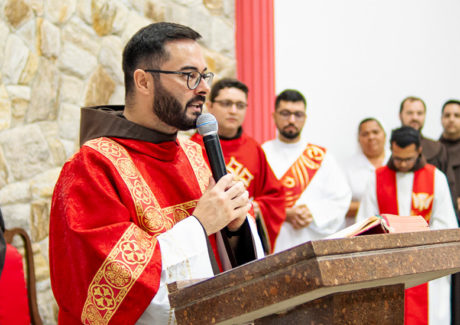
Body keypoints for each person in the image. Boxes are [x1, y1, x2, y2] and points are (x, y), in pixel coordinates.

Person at [49, 22, 264, 325]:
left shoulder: (195, 154)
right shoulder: (92, 168)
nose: (203, 87)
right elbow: (105, 285)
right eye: (189, 75)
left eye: (204, 76)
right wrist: (200, 225)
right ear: (144, 81)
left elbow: (229, 258)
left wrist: (236, 228)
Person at [357, 126, 458, 325]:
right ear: (391, 150)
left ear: (419, 151)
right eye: (398, 158)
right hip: (387, 266)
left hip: (426, 268)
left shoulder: (435, 177)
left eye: (408, 159)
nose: (403, 164)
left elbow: (446, 224)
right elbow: (365, 223)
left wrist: (417, 241)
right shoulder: (377, 178)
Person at [190, 78, 285, 253]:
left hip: (243, 239)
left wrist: (259, 208)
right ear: (209, 106)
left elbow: (275, 196)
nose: (233, 111)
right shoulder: (191, 148)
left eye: (240, 105)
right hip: (210, 240)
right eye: (226, 103)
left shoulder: (253, 148)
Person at [262, 89, 351, 253]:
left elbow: (341, 198)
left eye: (298, 114)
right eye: (285, 113)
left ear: (305, 118)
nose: (291, 120)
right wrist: (284, 213)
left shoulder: (322, 157)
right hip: (272, 246)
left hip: (311, 243)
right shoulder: (261, 154)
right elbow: (250, 201)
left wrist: (313, 213)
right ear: (274, 116)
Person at [399, 96, 457, 211]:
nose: (414, 117)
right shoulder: (391, 147)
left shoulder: (437, 148)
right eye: (410, 113)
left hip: (431, 212)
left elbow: (450, 187)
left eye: (419, 113)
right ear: (400, 115)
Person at [343, 118, 390, 218]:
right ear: (358, 139)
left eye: (375, 132)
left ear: (385, 136)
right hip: (360, 229)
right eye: (365, 134)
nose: (371, 137)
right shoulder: (346, 168)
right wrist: (376, 207)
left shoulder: (398, 162)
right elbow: (341, 206)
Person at [439, 99, 460, 325]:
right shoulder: (435, 150)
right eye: (447, 115)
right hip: (447, 226)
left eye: (457, 115)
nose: (451, 120)